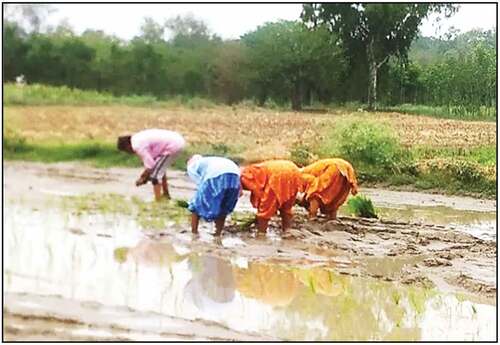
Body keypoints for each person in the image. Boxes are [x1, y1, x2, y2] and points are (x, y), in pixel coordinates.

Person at [117, 129, 185, 201]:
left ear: (127, 146)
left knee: (155, 177)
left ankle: (158, 201)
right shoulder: (136, 139)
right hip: (176, 140)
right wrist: (145, 177)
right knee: (160, 171)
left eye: (126, 151)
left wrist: (142, 178)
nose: (129, 153)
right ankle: (166, 195)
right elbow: (153, 164)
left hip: (172, 146)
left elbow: (150, 165)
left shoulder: (137, 146)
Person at [240, 160, 303, 233]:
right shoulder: (253, 169)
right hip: (293, 170)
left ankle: (261, 233)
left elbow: (259, 193)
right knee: (286, 206)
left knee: (265, 209)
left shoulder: (244, 176)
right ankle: (287, 230)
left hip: (277, 174)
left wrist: (260, 215)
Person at [187, 155, 241, 236]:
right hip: (235, 173)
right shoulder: (211, 160)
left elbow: (200, 184)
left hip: (215, 174)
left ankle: (194, 233)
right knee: (224, 206)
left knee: (196, 205)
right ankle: (217, 234)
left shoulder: (191, 166)